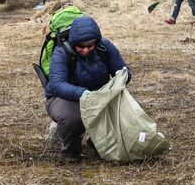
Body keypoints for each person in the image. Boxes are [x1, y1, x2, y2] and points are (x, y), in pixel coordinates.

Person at [45, 16, 131, 162]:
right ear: (73, 43)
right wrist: (83, 93)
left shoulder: (105, 47)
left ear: (96, 42)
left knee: (121, 111)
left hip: (99, 95)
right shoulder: (62, 52)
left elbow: (122, 70)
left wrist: (124, 75)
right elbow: (57, 84)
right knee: (72, 119)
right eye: (81, 46)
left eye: (90, 46)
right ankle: (71, 152)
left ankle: (98, 142)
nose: (86, 50)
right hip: (65, 98)